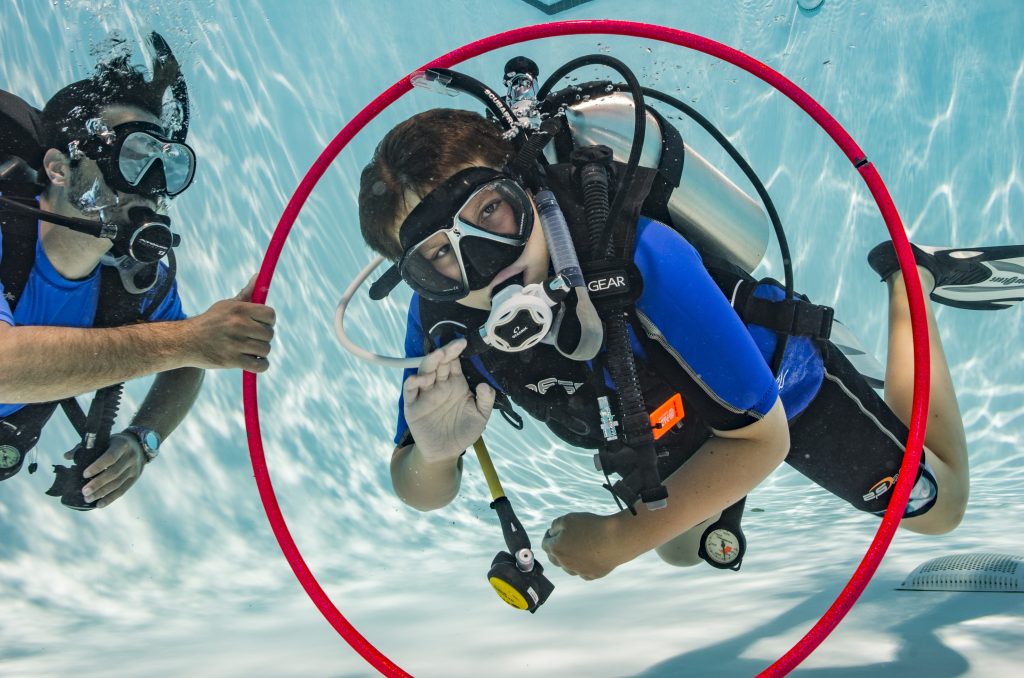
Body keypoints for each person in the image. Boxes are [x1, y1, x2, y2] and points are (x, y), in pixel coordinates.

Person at [356, 106, 1022, 581]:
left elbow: (764, 439)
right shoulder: (445, 320)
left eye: (490, 211)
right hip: (662, 424)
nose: (484, 260)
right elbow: (418, 488)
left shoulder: (641, 255)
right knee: (679, 548)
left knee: (941, 508)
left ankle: (910, 277)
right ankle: (707, 506)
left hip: (775, 391)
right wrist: (436, 457)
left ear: (525, 183)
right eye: (439, 256)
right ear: (414, 273)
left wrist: (617, 540)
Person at [0, 33, 275, 509]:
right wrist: (188, 340)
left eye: (165, 165)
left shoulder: (135, 276)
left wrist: (142, 439)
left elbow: (189, 361)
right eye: (132, 157)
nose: (149, 188)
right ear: (59, 168)